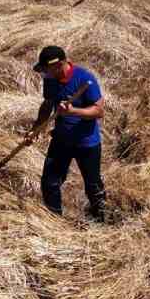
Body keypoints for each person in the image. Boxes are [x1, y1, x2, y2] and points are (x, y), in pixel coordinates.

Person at [27, 45, 106, 221]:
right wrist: (36, 128)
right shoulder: (50, 78)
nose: (44, 75)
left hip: (86, 142)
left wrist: (73, 112)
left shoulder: (86, 80)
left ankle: (102, 220)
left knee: (93, 186)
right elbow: (48, 103)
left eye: (47, 70)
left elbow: (98, 112)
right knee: (49, 183)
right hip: (61, 139)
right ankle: (54, 221)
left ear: (60, 64)